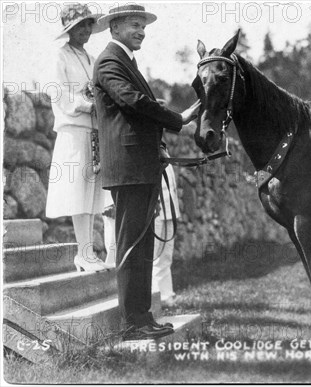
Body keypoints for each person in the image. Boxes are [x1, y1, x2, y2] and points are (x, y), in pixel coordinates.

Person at [93, 4, 200, 341]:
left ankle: (142, 318)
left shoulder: (125, 61)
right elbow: (134, 102)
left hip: (140, 166)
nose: (141, 31)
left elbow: (134, 114)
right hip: (129, 169)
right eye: (134, 25)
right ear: (115, 28)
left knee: (140, 248)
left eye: (143, 26)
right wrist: (178, 121)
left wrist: (159, 147)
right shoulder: (110, 61)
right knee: (131, 247)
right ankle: (131, 323)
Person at [45, 3, 112, 272]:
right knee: (77, 191)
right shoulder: (60, 56)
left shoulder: (90, 58)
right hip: (74, 130)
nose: (86, 29)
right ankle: (83, 253)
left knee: (92, 192)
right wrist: (87, 105)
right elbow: (58, 93)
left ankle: (90, 254)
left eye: (88, 25)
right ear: (69, 29)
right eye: (81, 25)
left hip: (95, 130)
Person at [152, 163, 180, 307]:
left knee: (166, 255)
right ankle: (154, 296)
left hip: (169, 206)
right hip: (154, 207)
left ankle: (166, 295)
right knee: (152, 254)